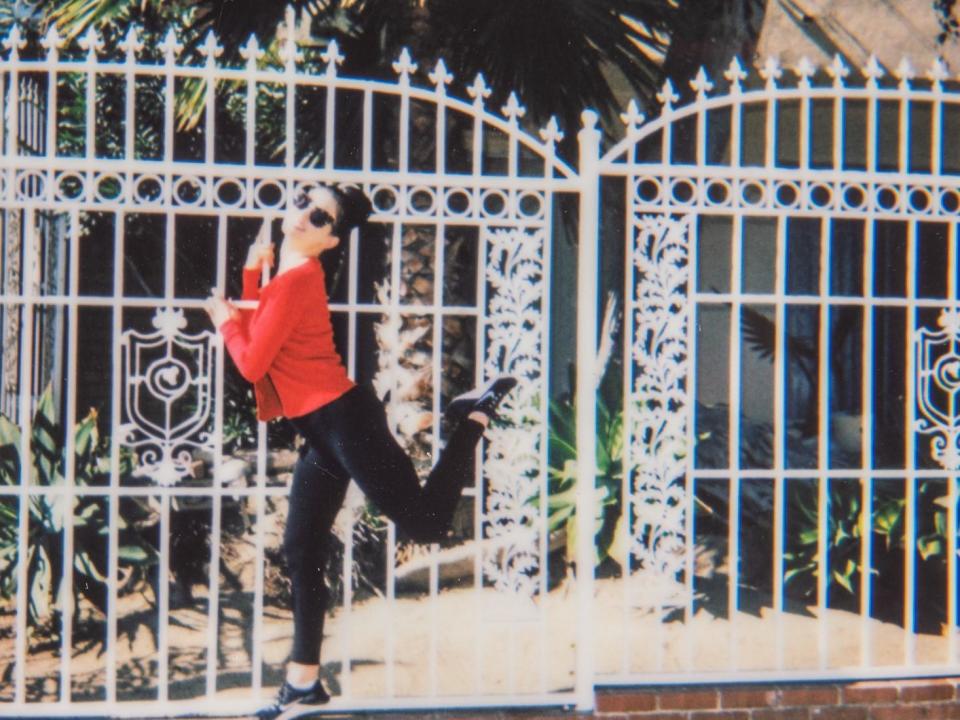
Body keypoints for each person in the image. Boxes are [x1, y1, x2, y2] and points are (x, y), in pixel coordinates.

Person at [205, 184, 516, 720]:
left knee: (425, 525)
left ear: (330, 239)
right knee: (301, 550)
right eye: (302, 200)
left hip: (345, 423)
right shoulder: (287, 275)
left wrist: (224, 321)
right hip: (324, 430)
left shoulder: (299, 278)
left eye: (319, 215)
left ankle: (469, 420)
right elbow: (267, 342)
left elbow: (253, 362)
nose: (303, 213)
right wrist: (253, 278)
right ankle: (303, 683)